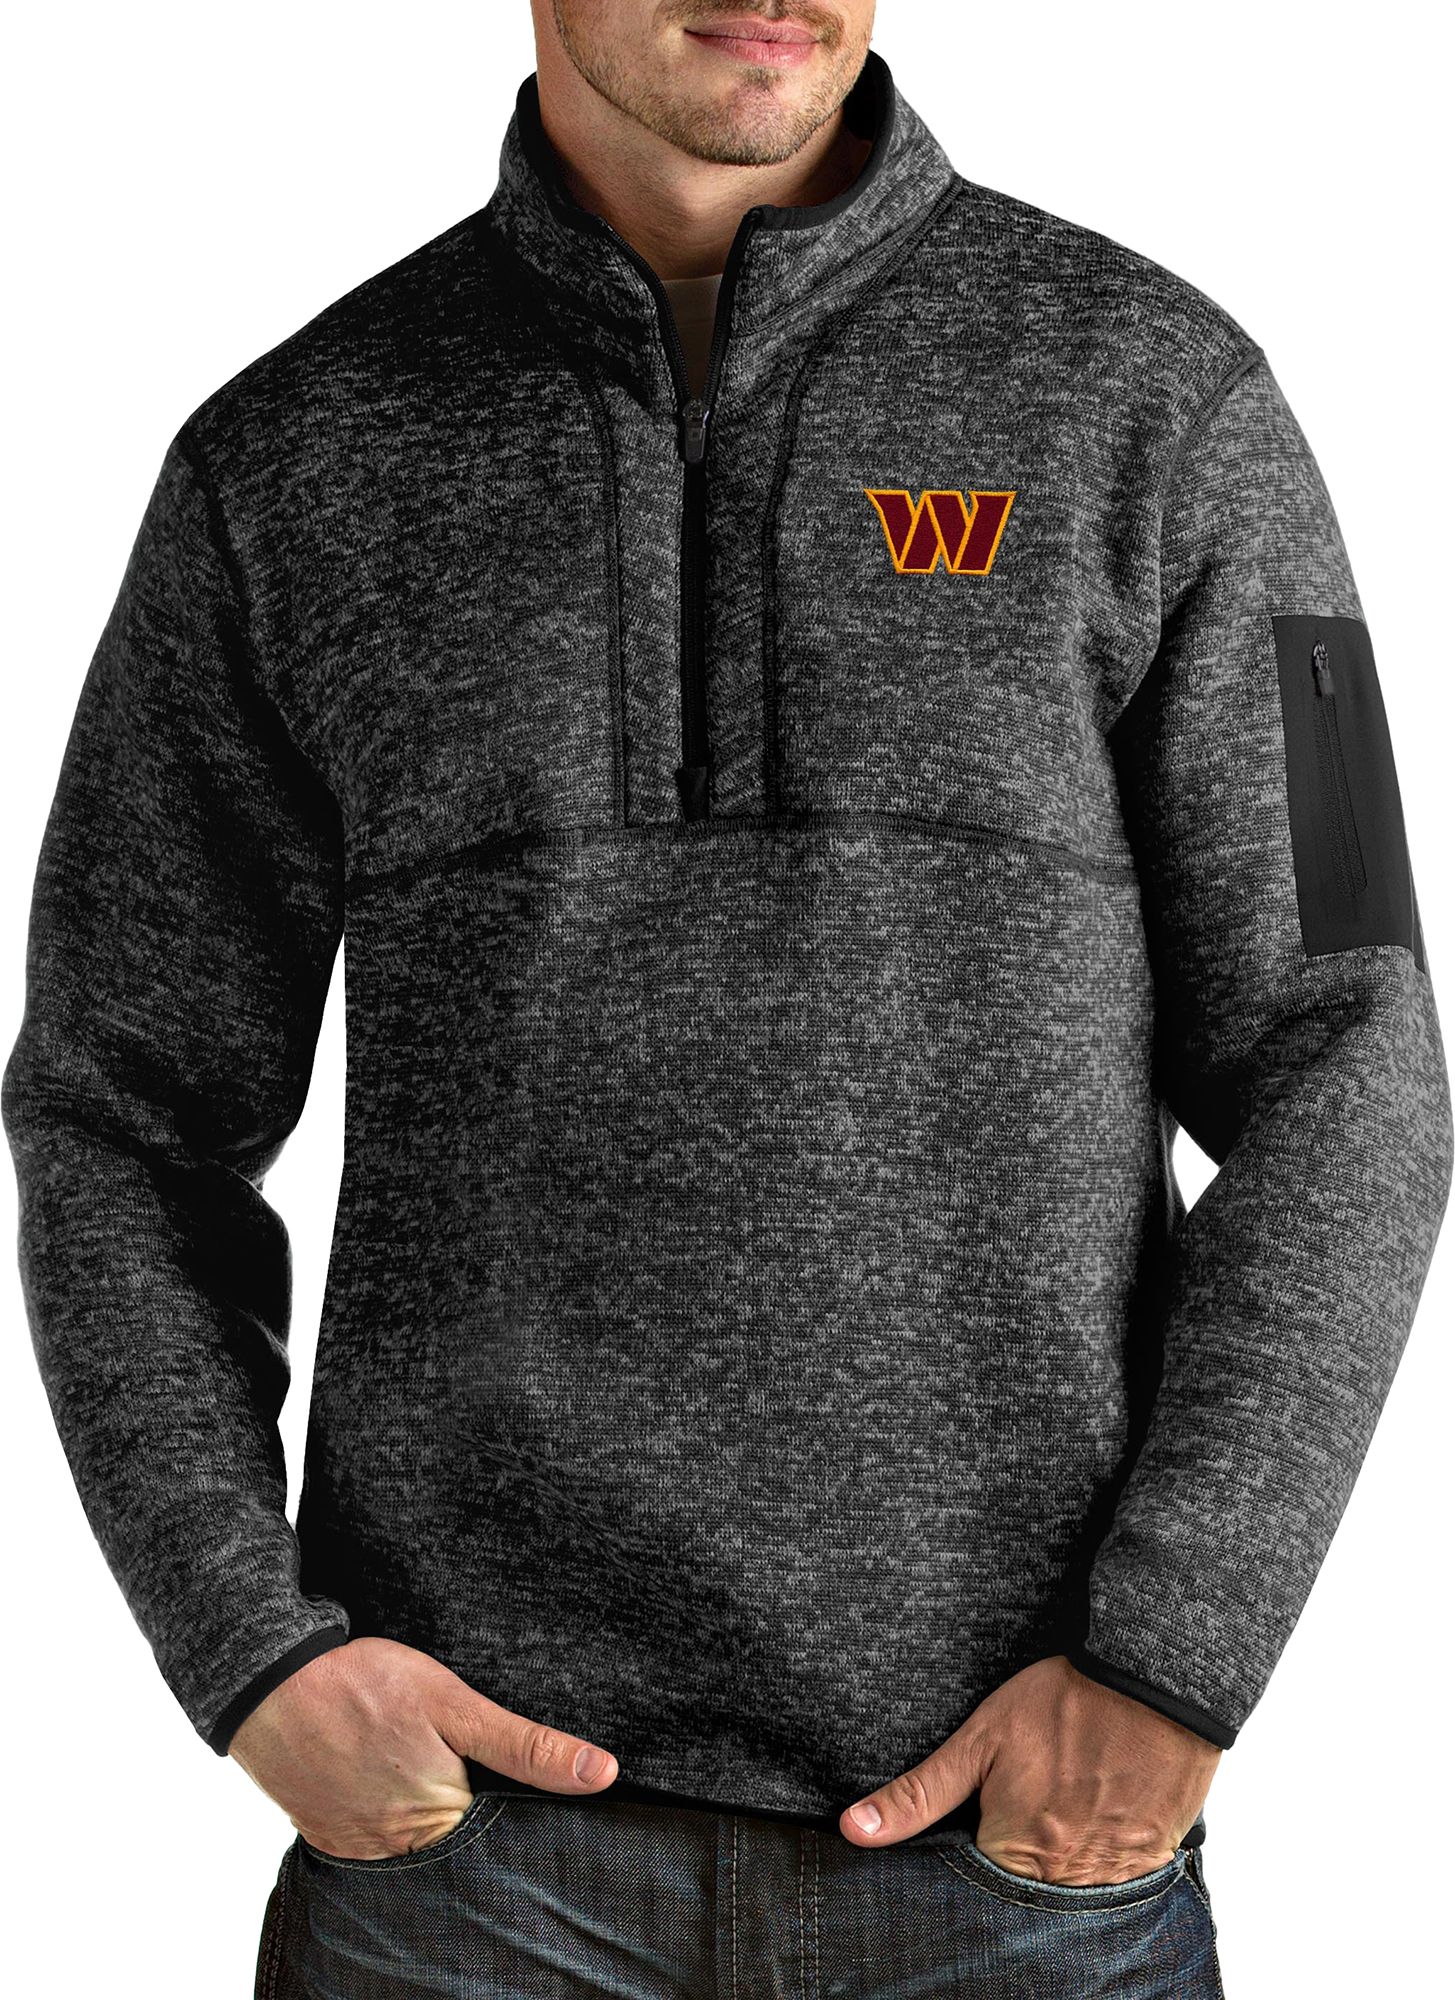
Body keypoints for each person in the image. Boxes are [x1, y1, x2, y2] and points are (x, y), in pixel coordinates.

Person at [6, 3, 1450, 1995]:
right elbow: (119, 1106)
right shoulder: (288, 460)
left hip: (1019, 1869)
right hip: (461, 1883)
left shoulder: (1164, 397)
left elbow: (1352, 1049)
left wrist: (1174, 1660)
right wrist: (247, 1650)